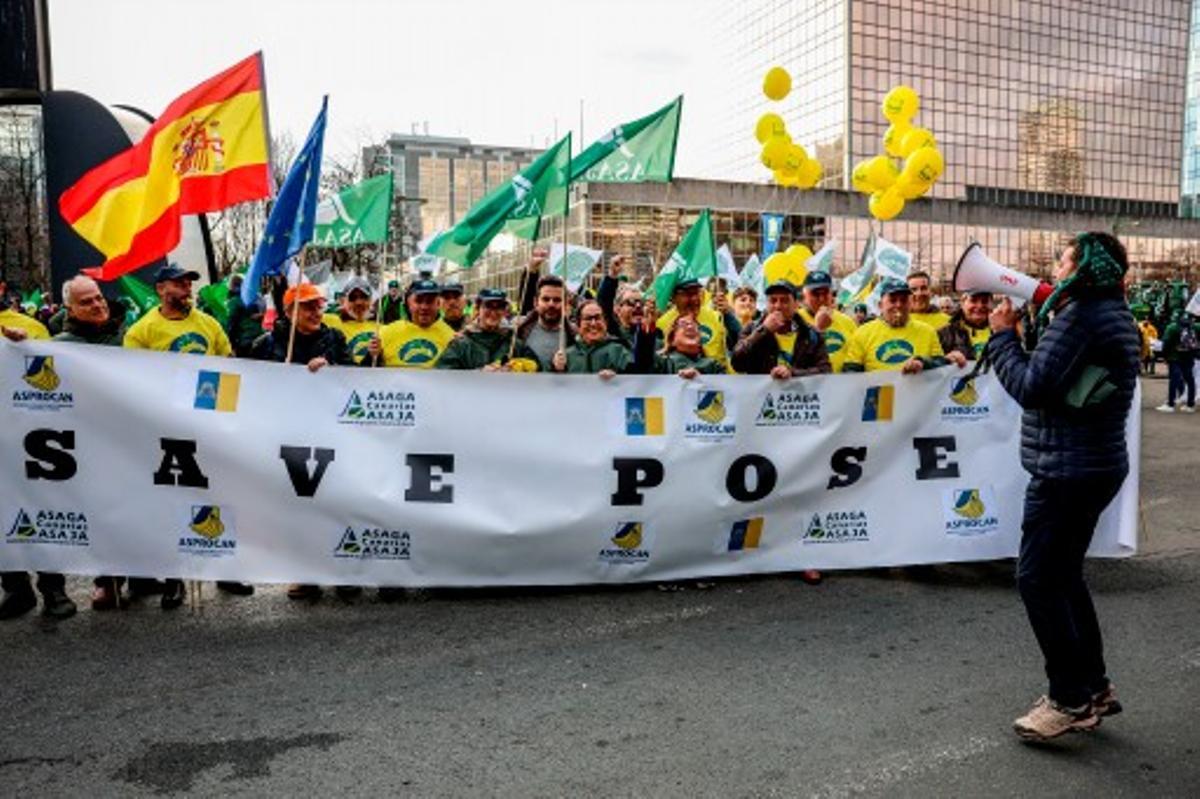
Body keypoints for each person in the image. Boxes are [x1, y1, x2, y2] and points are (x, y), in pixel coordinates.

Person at [985, 232, 1140, 741]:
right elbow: (1060, 380)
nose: (1057, 265)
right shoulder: (1106, 311)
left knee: (1037, 578)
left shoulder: (1080, 317)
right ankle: (1092, 686)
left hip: (1066, 470)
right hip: (1091, 463)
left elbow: (1032, 388)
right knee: (1064, 576)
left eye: (1064, 258)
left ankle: (1068, 699)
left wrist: (1003, 337)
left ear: (1085, 266)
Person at [124, 263, 250, 608]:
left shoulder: (208, 324)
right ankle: (174, 577)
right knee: (172, 502)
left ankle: (225, 569)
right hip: (168, 429)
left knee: (217, 496)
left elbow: (229, 365)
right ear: (161, 289)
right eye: (180, 283)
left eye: (189, 283)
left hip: (208, 426)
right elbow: (135, 382)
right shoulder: (142, 331)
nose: (187, 288)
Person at [250, 282, 356, 601]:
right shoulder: (265, 344)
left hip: (331, 432)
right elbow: (251, 386)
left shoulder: (335, 338)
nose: (315, 312)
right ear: (288, 311)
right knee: (298, 504)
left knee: (337, 501)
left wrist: (332, 370)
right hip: (288, 434)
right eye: (307, 306)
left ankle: (342, 571)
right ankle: (304, 572)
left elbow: (355, 379)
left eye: (318, 305)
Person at [731, 279, 829, 585]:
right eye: (772, 301)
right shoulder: (752, 330)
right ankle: (755, 555)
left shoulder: (811, 334)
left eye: (783, 301)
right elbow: (738, 361)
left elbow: (826, 371)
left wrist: (794, 374)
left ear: (795, 303)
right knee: (758, 491)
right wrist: (764, 332)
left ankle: (802, 557)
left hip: (799, 424)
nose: (777, 306)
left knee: (798, 492)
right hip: (759, 424)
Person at [842, 278, 965, 373]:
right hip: (880, 402)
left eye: (903, 300)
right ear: (880, 305)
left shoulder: (927, 332)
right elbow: (850, 373)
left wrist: (923, 363)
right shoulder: (862, 333)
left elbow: (940, 367)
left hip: (919, 403)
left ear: (910, 304)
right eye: (893, 300)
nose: (899, 305)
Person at [437, 288, 541, 371]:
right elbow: (444, 374)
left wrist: (518, 366)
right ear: (478, 309)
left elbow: (537, 368)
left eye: (499, 307)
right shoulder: (461, 344)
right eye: (488, 306)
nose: (493, 312)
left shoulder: (514, 343)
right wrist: (479, 373)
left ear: (505, 311)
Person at [656, 277, 740, 371]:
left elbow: (739, 343)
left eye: (696, 293)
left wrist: (728, 315)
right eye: (688, 294)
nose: (694, 298)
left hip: (716, 379)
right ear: (673, 298)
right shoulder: (661, 324)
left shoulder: (717, 316)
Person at [367, 279, 455, 368]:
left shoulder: (452, 338)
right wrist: (371, 356)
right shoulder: (384, 333)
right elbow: (369, 373)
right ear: (409, 303)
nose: (424, 307)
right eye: (419, 301)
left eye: (430, 301)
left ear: (438, 304)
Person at [551, 299, 636, 377]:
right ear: (578, 325)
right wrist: (556, 370)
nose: (593, 323)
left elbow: (635, 381)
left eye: (598, 318)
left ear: (605, 322)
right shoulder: (567, 355)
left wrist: (617, 377)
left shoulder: (620, 351)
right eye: (588, 319)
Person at [798, 271, 858, 372]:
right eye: (815, 294)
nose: (821, 299)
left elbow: (855, 355)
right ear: (805, 296)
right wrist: (818, 328)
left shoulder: (847, 321)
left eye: (825, 293)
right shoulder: (796, 320)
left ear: (831, 294)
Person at [638, 310, 726, 378]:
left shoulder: (714, 366)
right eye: (683, 324)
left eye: (695, 325)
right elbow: (644, 358)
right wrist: (646, 332)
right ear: (672, 340)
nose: (690, 327)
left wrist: (700, 381)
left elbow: (725, 394)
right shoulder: (664, 363)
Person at [516, 272, 576, 371]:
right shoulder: (519, 331)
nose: (551, 304)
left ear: (565, 304)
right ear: (536, 302)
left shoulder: (576, 336)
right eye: (546, 299)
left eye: (557, 300)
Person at [322, 276, 376, 364]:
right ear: (344, 301)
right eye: (352, 298)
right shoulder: (331, 321)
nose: (358, 302)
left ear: (370, 301)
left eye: (363, 297)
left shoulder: (381, 328)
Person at [1157, 310, 1197, 412]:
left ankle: (1170, 404)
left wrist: (1165, 357)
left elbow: (1165, 344)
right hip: (1189, 357)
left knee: (1174, 380)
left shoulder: (1172, 327)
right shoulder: (1194, 327)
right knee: (1190, 380)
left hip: (1175, 357)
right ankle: (1190, 405)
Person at [938, 290, 994, 362]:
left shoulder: (1002, 333)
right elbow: (933, 365)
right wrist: (946, 359)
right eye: (973, 300)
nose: (979, 306)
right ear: (962, 303)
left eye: (984, 301)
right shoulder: (945, 334)